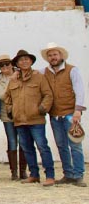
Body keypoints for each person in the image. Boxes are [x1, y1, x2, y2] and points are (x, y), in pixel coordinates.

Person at [4, 49, 55, 186]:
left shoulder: (39, 77)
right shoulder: (13, 79)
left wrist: (42, 108)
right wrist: (11, 110)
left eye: (27, 59)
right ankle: (34, 174)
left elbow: (48, 95)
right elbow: (7, 97)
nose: (24, 61)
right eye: (21, 60)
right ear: (17, 64)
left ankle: (50, 175)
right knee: (27, 148)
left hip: (36, 119)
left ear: (31, 61)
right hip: (19, 120)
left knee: (42, 146)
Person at [40, 42, 86, 187]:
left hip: (70, 114)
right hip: (54, 115)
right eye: (50, 55)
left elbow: (80, 90)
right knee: (61, 146)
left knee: (75, 144)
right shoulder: (43, 72)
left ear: (60, 56)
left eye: (55, 54)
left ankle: (78, 175)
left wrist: (78, 110)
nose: (53, 57)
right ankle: (68, 174)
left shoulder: (72, 70)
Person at [0, 54, 28, 180]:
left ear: (12, 64)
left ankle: (23, 171)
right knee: (12, 141)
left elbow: (24, 92)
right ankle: (14, 172)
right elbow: (2, 96)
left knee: (24, 142)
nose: (4, 67)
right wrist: (12, 82)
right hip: (7, 113)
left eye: (7, 64)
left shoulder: (21, 74)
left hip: (22, 112)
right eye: (1, 65)